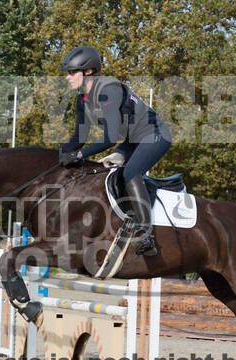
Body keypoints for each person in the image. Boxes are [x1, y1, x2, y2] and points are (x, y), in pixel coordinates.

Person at [58, 46, 172, 256]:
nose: (67, 77)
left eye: (71, 72)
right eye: (67, 72)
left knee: (130, 173)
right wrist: (57, 154)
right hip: (134, 140)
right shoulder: (82, 99)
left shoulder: (108, 91)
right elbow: (79, 138)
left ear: (88, 72)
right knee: (105, 174)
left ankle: (146, 234)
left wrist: (81, 155)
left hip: (155, 134)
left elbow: (110, 138)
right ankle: (125, 221)